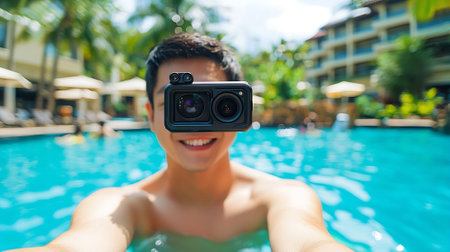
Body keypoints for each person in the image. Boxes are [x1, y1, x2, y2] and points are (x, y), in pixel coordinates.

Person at [9, 33, 351, 252]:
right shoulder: (125, 207)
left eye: (216, 104)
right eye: (179, 104)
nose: (196, 124)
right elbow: (78, 245)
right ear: (151, 115)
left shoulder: (281, 197)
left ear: (238, 108)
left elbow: (309, 243)